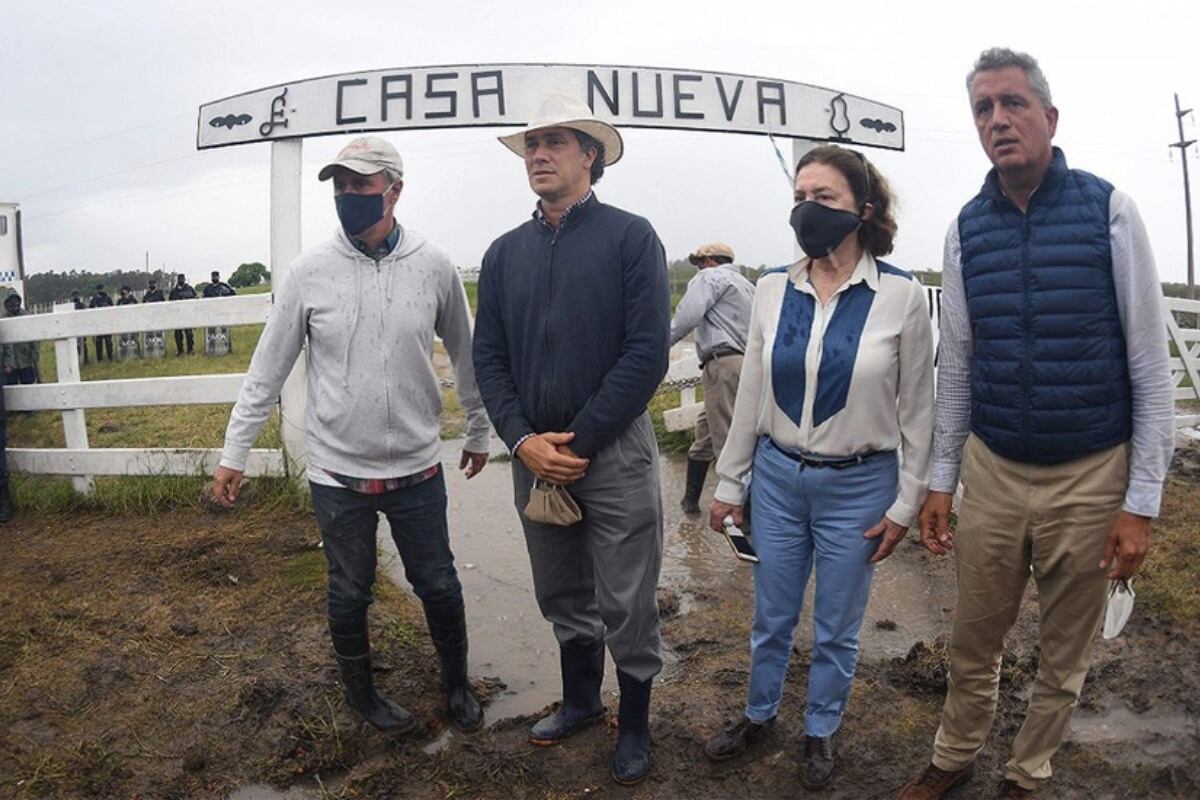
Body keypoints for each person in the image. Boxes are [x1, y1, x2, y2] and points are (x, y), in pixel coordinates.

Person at [897, 49, 1175, 800]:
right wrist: (942, 480)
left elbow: (1150, 367)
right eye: (983, 109)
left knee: (1065, 646)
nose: (998, 120)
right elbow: (957, 364)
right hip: (993, 468)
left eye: (1013, 103)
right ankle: (954, 755)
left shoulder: (1108, 211)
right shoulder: (965, 230)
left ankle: (1028, 771)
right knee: (974, 635)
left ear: (1049, 117)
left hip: (1090, 474)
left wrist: (1140, 503)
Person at [213, 135, 492, 735]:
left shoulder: (434, 266)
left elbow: (466, 354)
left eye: (360, 185)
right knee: (349, 590)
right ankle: (362, 695)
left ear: (394, 190)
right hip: (338, 472)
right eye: (340, 186)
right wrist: (236, 450)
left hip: (417, 467)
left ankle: (456, 684)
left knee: (438, 583)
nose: (347, 195)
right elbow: (268, 367)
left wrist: (478, 428)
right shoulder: (309, 273)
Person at [705, 145, 934, 790]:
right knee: (771, 615)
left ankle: (821, 729)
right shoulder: (773, 288)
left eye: (824, 197)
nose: (808, 208)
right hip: (778, 479)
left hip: (860, 487)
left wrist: (907, 503)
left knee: (837, 626)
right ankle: (759, 715)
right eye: (800, 197)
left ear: (863, 209)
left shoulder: (901, 296)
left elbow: (920, 411)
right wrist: (731, 482)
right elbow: (752, 393)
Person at [473, 93, 670, 786]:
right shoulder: (504, 254)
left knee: (627, 595)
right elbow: (488, 359)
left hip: (611, 450)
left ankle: (636, 722)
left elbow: (647, 353)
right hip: (534, 455)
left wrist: (579, 440)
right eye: (531, 144)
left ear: (590, 155)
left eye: (554, 141)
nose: (538, 154)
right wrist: (522, 439)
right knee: (560, 587)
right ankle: (582, 701)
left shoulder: (630, 238)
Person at [669, 242, 755, 513]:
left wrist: (656, 345)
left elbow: (686, 317)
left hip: (722, 364)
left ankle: (744, 512)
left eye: (699, 263)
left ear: (709, 261)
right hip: (747, 365)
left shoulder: (709, 277)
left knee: (727, 441)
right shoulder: (748, 286)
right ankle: (690, 501)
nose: (699, 268)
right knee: (706, 432)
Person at [3, 293, 40, 386]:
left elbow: (34, 340)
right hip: (10, 363)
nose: (13, 304)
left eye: (15, 301)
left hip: (26, 360)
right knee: (11, 389)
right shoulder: (2, 318)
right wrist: (7, 362)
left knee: (29, 385)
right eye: (10, 301)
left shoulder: (27, 316)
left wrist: (34, 357)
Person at [168, 274, 197, 355]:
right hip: (178, 316)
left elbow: (195, 298)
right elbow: (170, 303)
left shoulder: (190, 289)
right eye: (179, 279)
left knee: (189, 334)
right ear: (177, 280)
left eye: (182, 279)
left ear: (184, 279)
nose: (181, 280)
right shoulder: (174, 291)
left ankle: (190, 350)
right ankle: (180, 351)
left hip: (188, 315)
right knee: (178, 334)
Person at [88, 283, 114, 361]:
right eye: (99, 289)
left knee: (108, 341)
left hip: (107, 322)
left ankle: (110, 358)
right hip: (98, 323)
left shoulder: (108, 298)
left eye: (102, 289)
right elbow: (90, 310)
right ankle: (99, 359)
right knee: (98, 342)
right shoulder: (94, 299)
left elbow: (112, 309)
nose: (101, 290)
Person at [70, 289, 89, 365]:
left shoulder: (75, 306)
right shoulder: (80, 305)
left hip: (78, 327)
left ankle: (83, 360)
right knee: (80, 344)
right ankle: (83, 359)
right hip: (78, 327)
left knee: (81, 344)